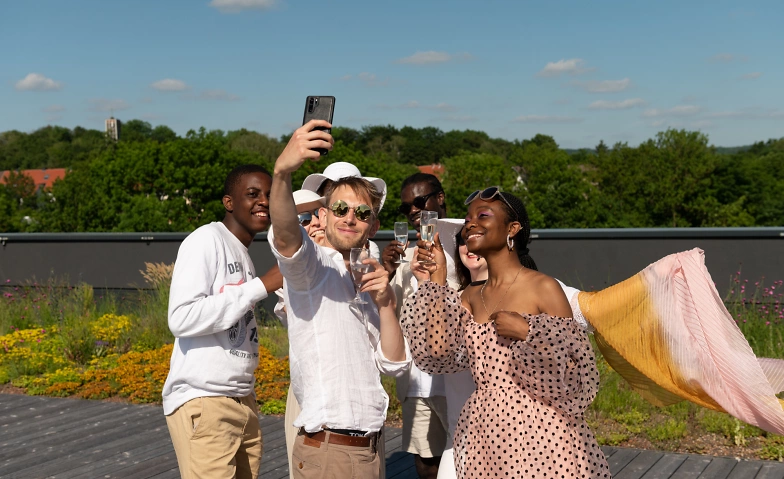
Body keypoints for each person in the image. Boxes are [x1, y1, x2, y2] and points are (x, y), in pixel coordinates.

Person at [403, 186, 610, 478]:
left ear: (512, 228)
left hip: (542, 434)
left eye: (482, 215)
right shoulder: (469, 297)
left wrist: (529, 331)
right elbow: (438, 353)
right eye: (467, 218)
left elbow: (577, 373)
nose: (470, 223)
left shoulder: (543, 287)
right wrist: (436, 279)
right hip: (484, 432)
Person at [269, 120, 410, 479]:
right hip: (330, 450)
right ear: (324, 214)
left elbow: (394, 365)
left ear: (373, 225)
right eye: (341, 209)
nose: (350, 218)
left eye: (362, 213)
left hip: (369, 448)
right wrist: (282, 173)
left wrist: (386, 303)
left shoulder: (364, 273)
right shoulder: (312, 266)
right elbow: (285, 238)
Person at [162, 164, 283, 479]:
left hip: (242, 399)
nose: (264, 202)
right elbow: (181, 317)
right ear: (229, 202)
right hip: (206, 400)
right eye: (253, 194)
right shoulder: (207, 239)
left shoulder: (241, 251)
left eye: (269, 195)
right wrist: (260, 286)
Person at [382, 173, 451, 479]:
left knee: (467, 455)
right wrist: (387, 271)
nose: (412, 211)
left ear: (440, 198)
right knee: (425, 461)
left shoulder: (466, 246)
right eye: (406, 207)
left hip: (454, 378)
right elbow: (387, 309)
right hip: (416, 380)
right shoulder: (406, 256)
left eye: (419, 202)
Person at [302, 161, 386, 261]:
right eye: (340, 205)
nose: (349, 219)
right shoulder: (305, 232)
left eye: (362, 212)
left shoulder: (367, 246)